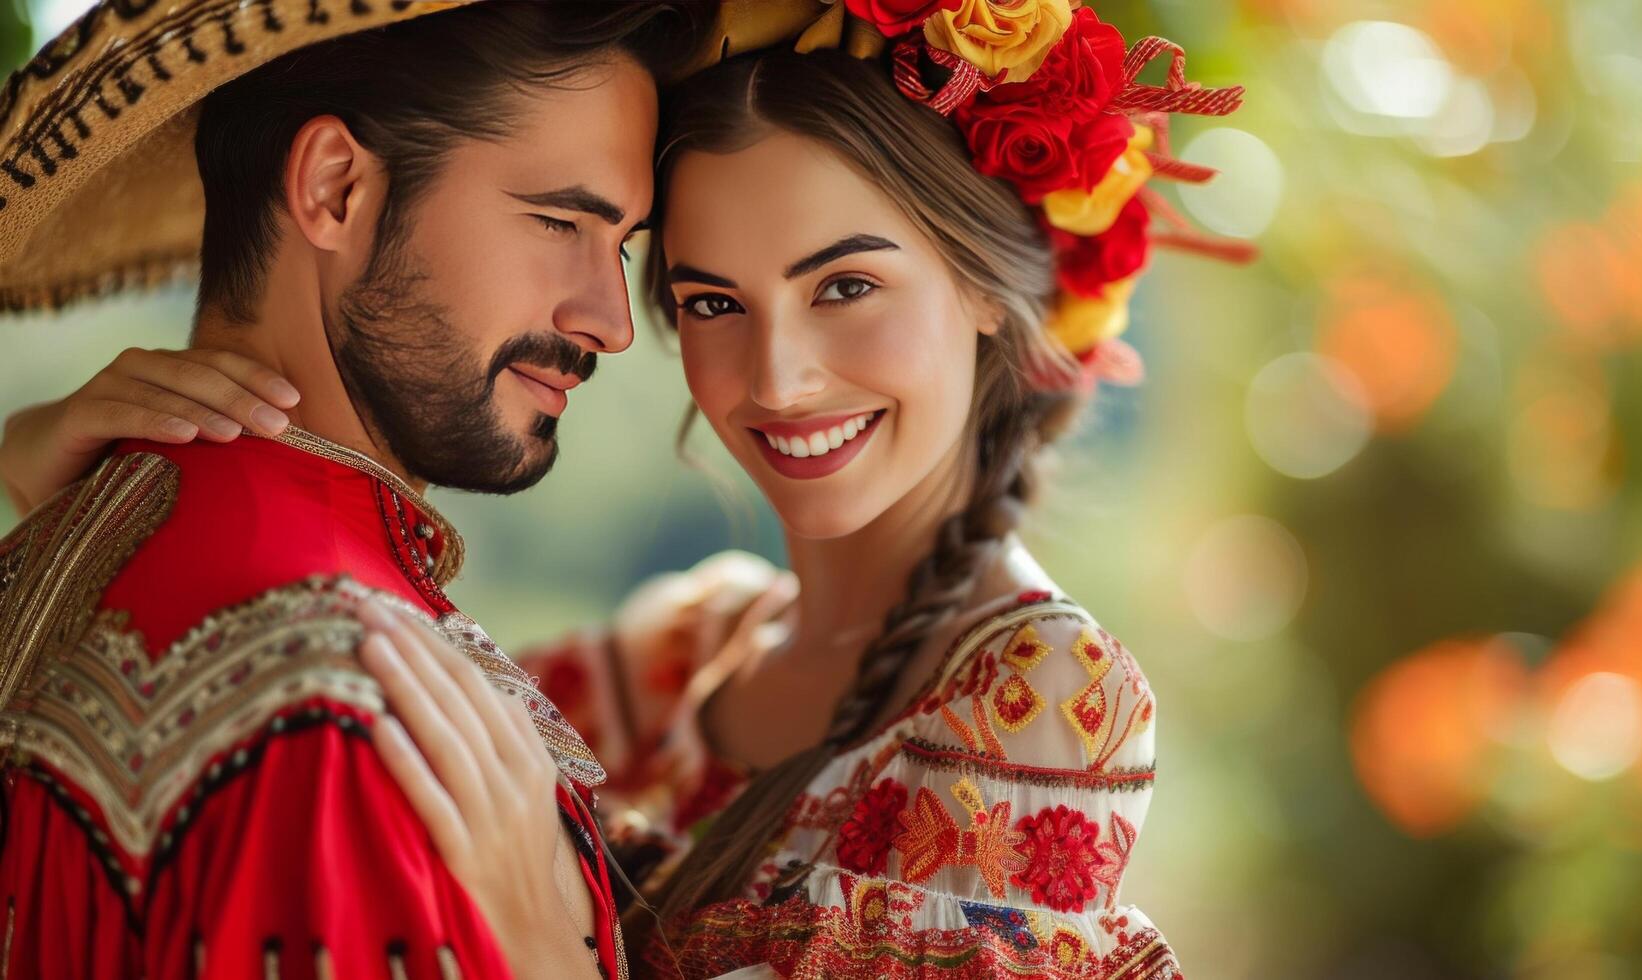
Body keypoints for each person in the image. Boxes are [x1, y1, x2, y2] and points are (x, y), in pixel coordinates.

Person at [2, 2, 1246, 977]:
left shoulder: (1040, 697)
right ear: (331, 191)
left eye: (846, 285)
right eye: (707, 300)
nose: (777, 374)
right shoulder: (670, 656)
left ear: (986, 285)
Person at [0, 2, 710, 977]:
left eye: (620, 244)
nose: (611, 321)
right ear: (335, 188)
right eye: (558, 220)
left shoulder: (57, 543)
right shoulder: (365, 703)